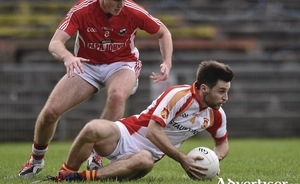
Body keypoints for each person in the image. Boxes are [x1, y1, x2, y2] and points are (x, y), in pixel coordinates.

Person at [18, 0, 173, 178]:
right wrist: (68, 57)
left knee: (117, 96)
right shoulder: (83, 9)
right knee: (51, 112)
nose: (121, 5)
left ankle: (97, 155)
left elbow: (163, 32)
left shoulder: (133, 10)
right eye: (117, 0)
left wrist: (166, 61)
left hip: (122, 63)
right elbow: (55, 43)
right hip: (87, 65)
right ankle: (36, 160)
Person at [53, 60, 234, 182]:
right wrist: (183, 159)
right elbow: (152, 131)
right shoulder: (178, 96)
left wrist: (213, 160)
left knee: (145, 161)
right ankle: (65, 173)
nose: (225, 97)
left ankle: (81, 178)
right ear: (204, 88)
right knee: (92, 128)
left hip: (144, 156)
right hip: (125, 134)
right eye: (221, 91)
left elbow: (222, 143)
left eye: (226, 91)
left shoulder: (216, 114)